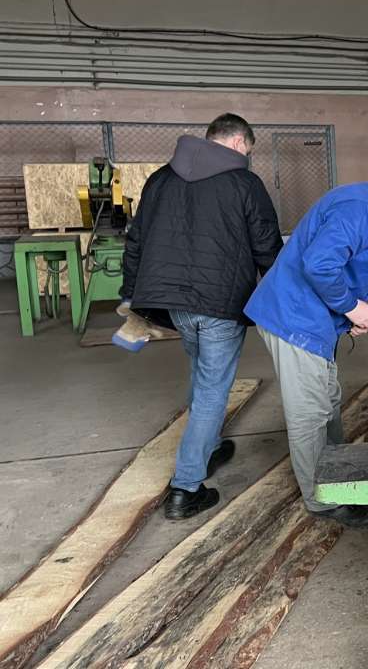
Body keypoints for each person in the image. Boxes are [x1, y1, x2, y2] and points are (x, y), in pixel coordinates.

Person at [244, 176, 368, 528]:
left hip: (312, 318)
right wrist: (351, 307)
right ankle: (322, 499)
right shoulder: (358, 210)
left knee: (328, 400)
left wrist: (346, 316)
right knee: (309, 413)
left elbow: (335, 267)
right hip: (295, 320)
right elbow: (319, 265)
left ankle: (336, 471)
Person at [120, 113, 282, 520]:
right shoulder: (244, 182)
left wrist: (131, 294)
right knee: (213, 389)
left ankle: (208, 446)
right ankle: (186, 487)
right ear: (238, 142)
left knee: (201, 372)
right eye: (247, 150)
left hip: (175, 304)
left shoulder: (161, 179)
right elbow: (266, 244)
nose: (246, 156)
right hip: (220, 303)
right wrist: (285, 295)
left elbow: (136, 240)